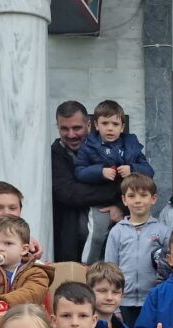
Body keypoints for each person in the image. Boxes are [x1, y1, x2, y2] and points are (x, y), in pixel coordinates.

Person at [74, 100, 155, 263]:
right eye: (105, 123)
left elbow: (149, 171)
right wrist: (100, 172)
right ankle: (87, 265)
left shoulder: (131, 146)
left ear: (122, 127)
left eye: (115, 123)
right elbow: (79, 171)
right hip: (100, 204)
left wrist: (131, 169)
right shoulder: (89, 146)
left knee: (130, 238)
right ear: (96, 125)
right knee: (97, 235)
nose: (110, 128)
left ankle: (120, 268)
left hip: (127, 204)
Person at [51, 100, 122, 263]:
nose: (71, 134)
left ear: (89, 125)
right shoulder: (54, 155)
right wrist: (114, 191)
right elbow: (68, 193)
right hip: (69, 245)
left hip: (109, 244)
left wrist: (121, 207)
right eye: (64, 128)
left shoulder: (112, 148)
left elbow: (134, 184)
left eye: (77, 128)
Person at [106, 173, 171, 327]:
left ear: (153, 198)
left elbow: (169, 268)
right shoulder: (117, 231)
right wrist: (114, 307)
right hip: (124, 302)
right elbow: (110, 270)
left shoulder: (163, 231)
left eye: (143, 195)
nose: (138, 200)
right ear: (124, 200)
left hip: (153, 300)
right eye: (132, 195)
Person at [0, 215, 54, 306]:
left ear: (24, 249)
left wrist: (4, 303)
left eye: (8, 243)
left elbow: (32, 293)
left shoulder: (36, 271)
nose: (0, 248)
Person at [86, 262, 141, 328]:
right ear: (89, 292)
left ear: (122, 295)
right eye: (102, 291)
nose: (109, 298)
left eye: (115, 292)